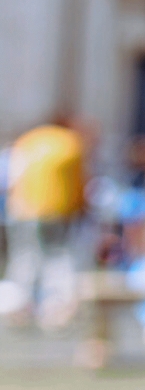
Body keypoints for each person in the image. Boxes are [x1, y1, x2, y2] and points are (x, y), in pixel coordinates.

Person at [1, 116, 85, 327]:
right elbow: (81, 180)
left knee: (24, 258)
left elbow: (14, 177)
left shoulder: (28, 141)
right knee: (57, 258)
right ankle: (54, 309)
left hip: (24, 211)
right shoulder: (70, 143)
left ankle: (19, 307)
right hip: (59, 212)